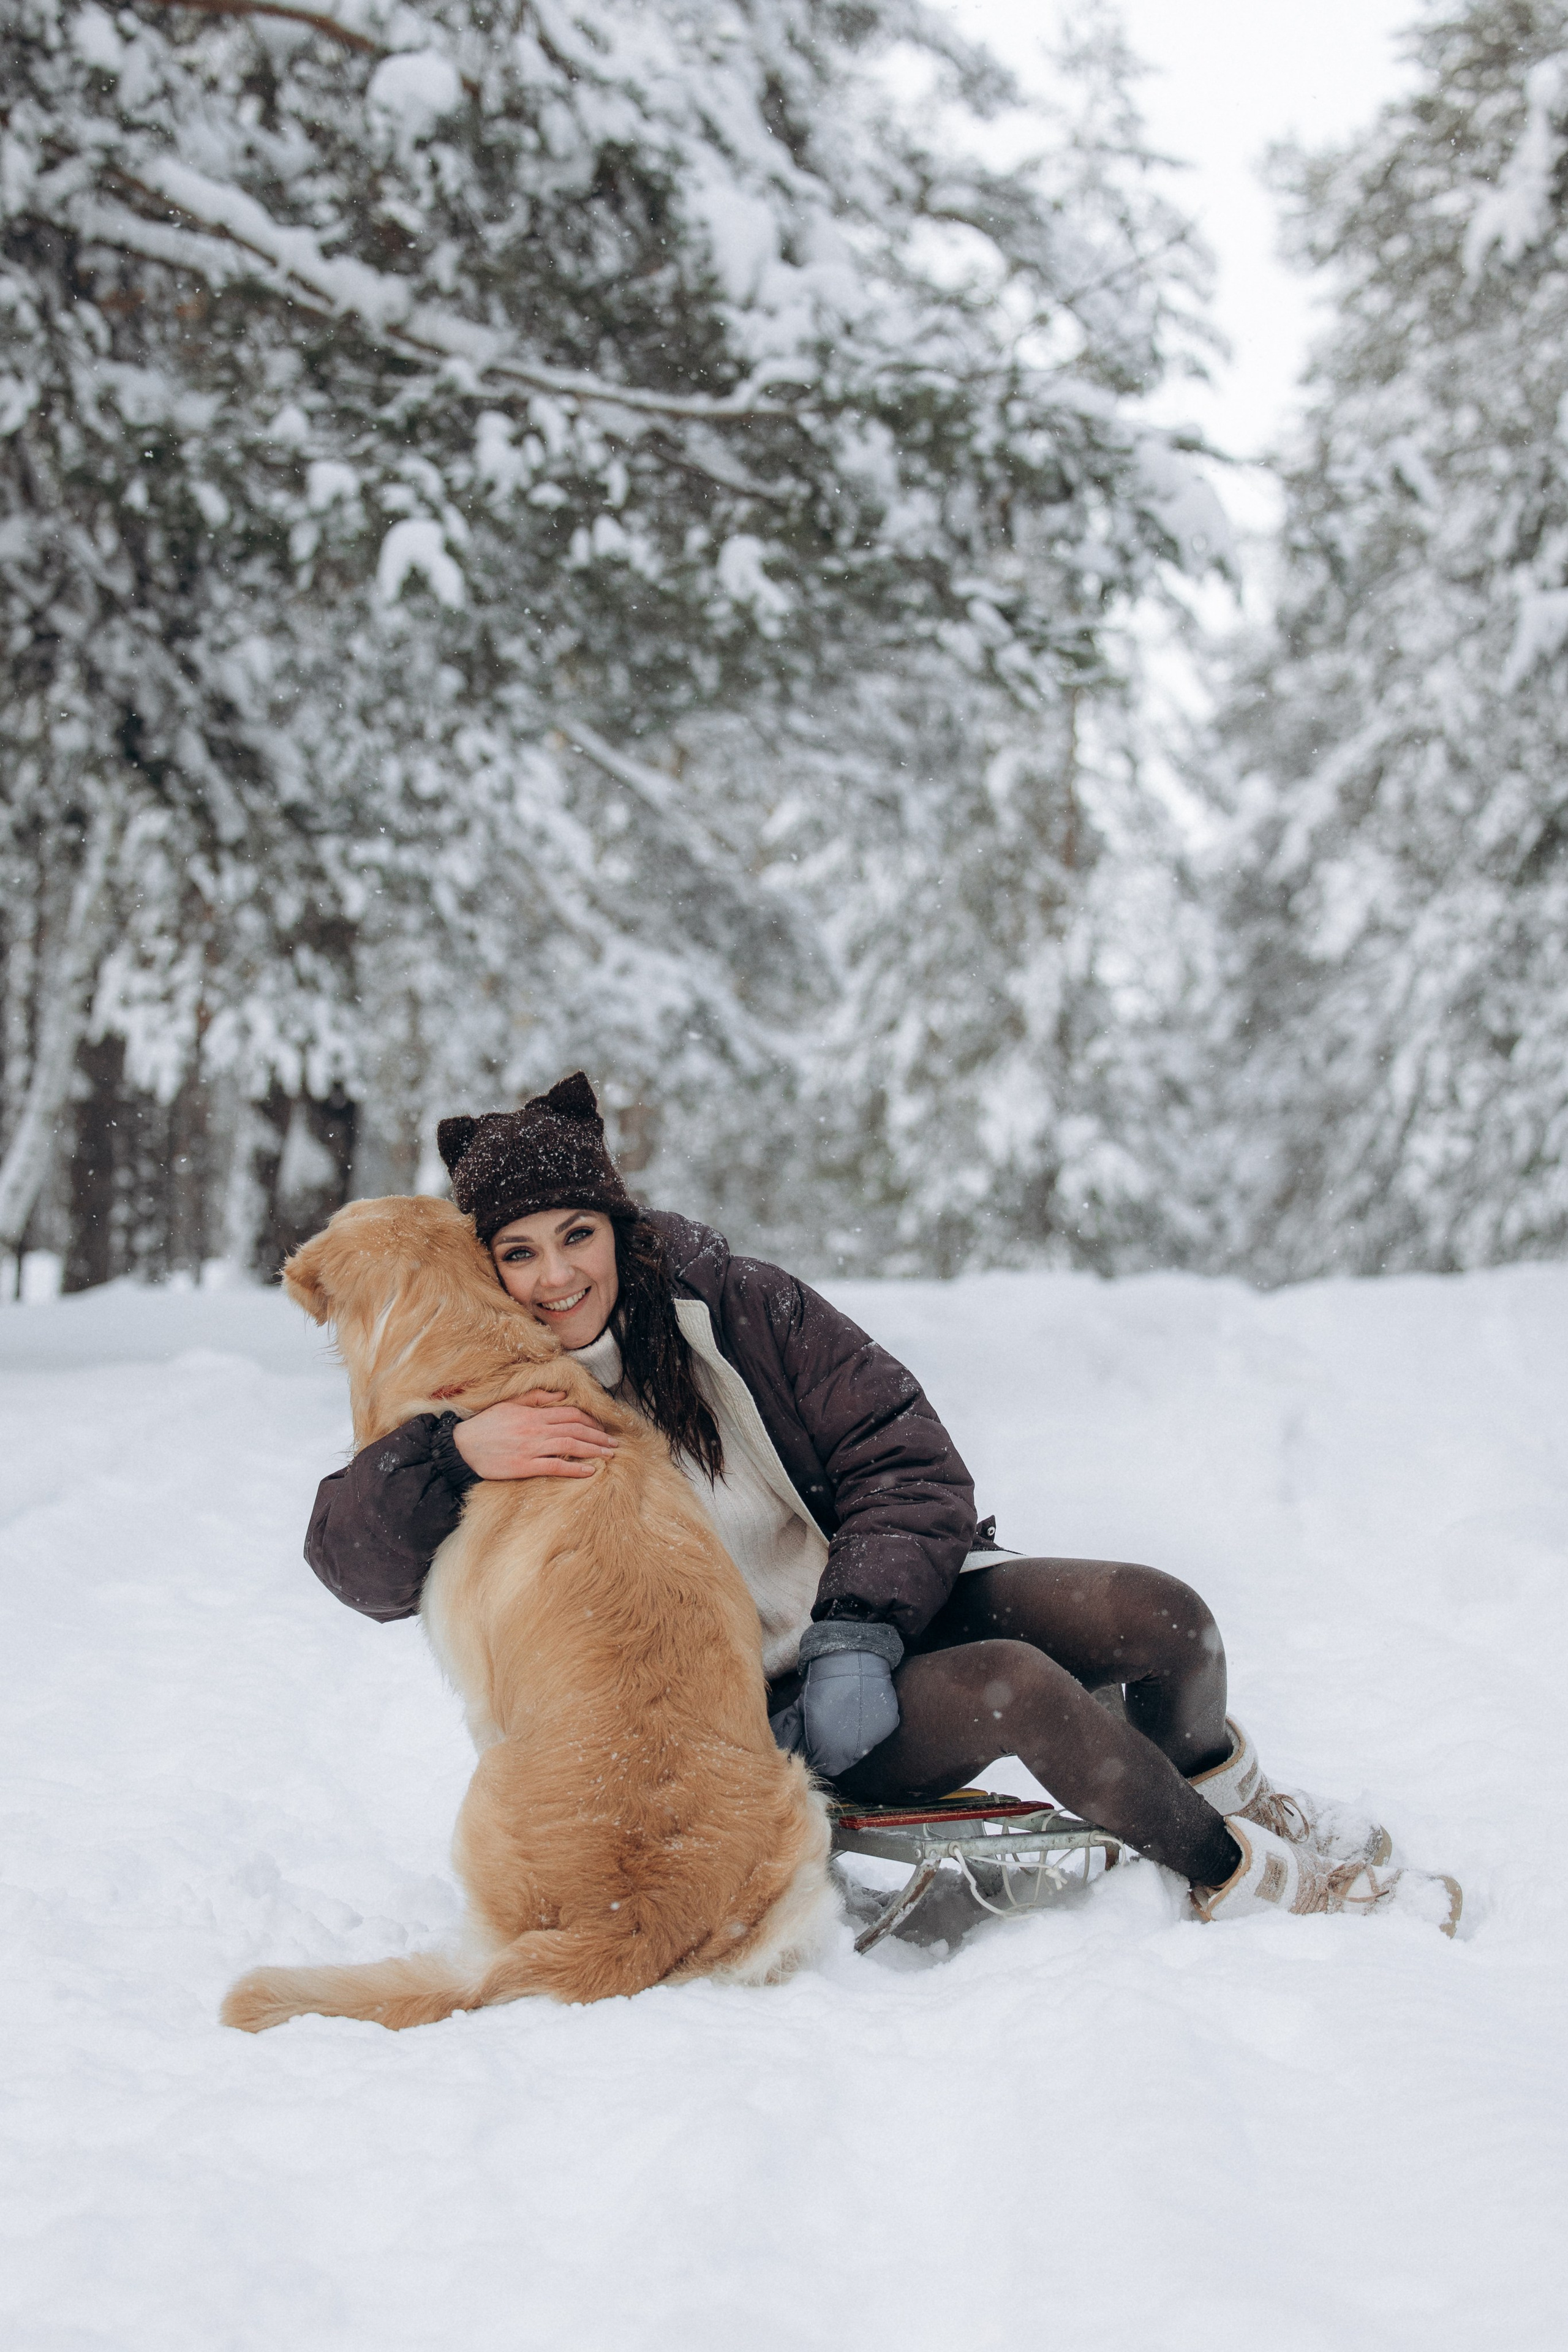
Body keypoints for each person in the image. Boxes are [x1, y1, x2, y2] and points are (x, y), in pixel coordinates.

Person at [304, 1073, 1461, 1932]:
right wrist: (455, 1454)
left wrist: (859, 1621)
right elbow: (354, 1563)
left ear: (617, 1226)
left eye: (576, 1235)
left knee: (1161, 1614)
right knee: (1017, 1689)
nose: (557, 1275)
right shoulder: (491, 1397)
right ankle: (1243, 1881)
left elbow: (905, 1458)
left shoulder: (736, 1306)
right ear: (488, 1271)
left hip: (882, 1614)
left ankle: (1237, 1803)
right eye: (518, 1254)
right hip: (751, 1716)